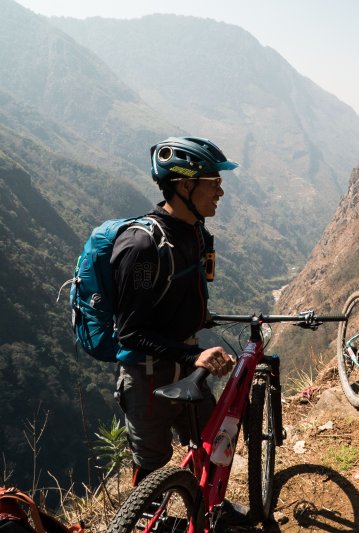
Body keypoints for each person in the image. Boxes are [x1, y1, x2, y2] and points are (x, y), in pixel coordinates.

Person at [111, 136, 239, 485]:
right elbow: (130, 333)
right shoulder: (141, 246)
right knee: (153, 470)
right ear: (185, 184)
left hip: (186, 363)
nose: (220, 193)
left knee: (212, 443)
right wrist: (192, 354)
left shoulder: (194, 231)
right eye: (214, 184)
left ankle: (208, 511)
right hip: (147, 376)